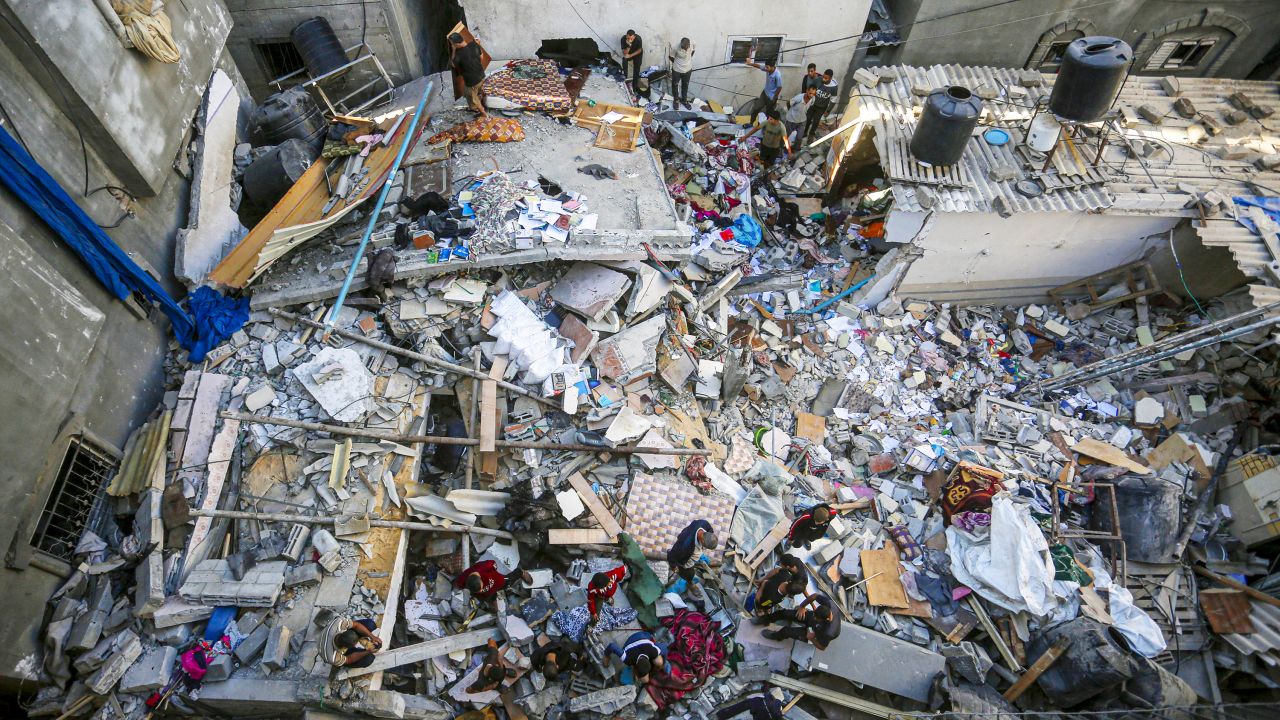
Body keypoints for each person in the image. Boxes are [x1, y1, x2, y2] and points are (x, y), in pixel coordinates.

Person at [758, 591, 841, 650]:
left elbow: (822, 647)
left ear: (826, 619)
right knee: (785, 613)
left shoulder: (829, 632)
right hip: (811, 620)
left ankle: (775, 636)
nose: (814, 617)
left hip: (813, 632)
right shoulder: (830, 605)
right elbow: (815, 596)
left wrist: (811, 638)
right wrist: (802, 607)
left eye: (817, 618)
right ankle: (765, 619)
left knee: (786, 631)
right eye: (815, 615)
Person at [455, 560, 531, 608]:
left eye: (481, 588)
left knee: (509, 581)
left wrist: (493, 571)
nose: (482, 590)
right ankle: (492, 600)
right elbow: (459, 584)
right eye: (480, 590)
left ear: (480, 578)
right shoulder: (463, 578)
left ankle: (520, 572)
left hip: (498, 581)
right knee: (488, 596)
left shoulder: (484, 567)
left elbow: (493, 563)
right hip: (487, 593)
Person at [666, 520, 717, 587]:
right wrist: (673, 567)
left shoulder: (704, 524)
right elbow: (671, 557)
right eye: (705, 546)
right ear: (702, 540)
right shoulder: (684, 545)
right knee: (689, 573)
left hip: (688, 542)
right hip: (684, 559)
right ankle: (689, 582)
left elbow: (711, 530)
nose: (704, 548)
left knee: (698, 555)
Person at [449, 32, 487, 117]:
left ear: (457, 44)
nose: (452, 45)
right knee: (469, 92)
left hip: (472, 81)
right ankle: (473, 108)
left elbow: (453, 64)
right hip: (481, 74)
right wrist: (476, 65)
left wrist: (454, 50)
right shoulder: (474, 45)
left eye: (453, 44)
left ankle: (483, 113)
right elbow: (481, 56)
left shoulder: (459, 55)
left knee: (474, 98)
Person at [805, 69, 838, 140]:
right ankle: (804, 132)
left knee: (816, 121)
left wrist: (828, 111)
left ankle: (811, 134)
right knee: (808, 118)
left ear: (830, 78)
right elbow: (810, 88)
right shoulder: (818, 80)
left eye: (826, 78)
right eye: (823, 77)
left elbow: (833, 99)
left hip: (822, 107)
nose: (823, 79)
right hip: (813, 103)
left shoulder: (834, 87)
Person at [716, 691, 787, 720]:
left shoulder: (768, 698)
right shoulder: (776, 711)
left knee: (737, 708)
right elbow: (779, 716)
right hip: (760, 715)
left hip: (754, 704)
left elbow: (766, 694)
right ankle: (721, 715)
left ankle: (721, 714)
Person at [668, 38, 696, 108]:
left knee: (685, 86)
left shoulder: (692, 44)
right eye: (684, 48)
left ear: (689, 45)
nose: (686, 49)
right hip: (677, 70)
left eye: (687, 47)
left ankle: (684, 101)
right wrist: (677, 63)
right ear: (681, 45)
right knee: (675, 85)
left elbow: (692, 52)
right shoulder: (675, 48)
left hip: (688, 70)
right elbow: (670, 57)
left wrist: (688, 59)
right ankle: (676, 101)